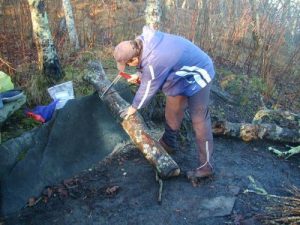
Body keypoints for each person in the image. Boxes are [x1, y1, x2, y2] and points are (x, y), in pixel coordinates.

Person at [113, 26, 215, 179]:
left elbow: (148, 87)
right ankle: (169, 143)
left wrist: (133, 108)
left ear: (134, 58)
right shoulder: (141, 44)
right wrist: (138, 74)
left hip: (199, 73)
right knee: (172, 112)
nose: (127, 67)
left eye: (128, 64)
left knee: (199, 121)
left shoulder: (156, 58)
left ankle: (205, 167)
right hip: (179, 76)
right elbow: (147, 66)